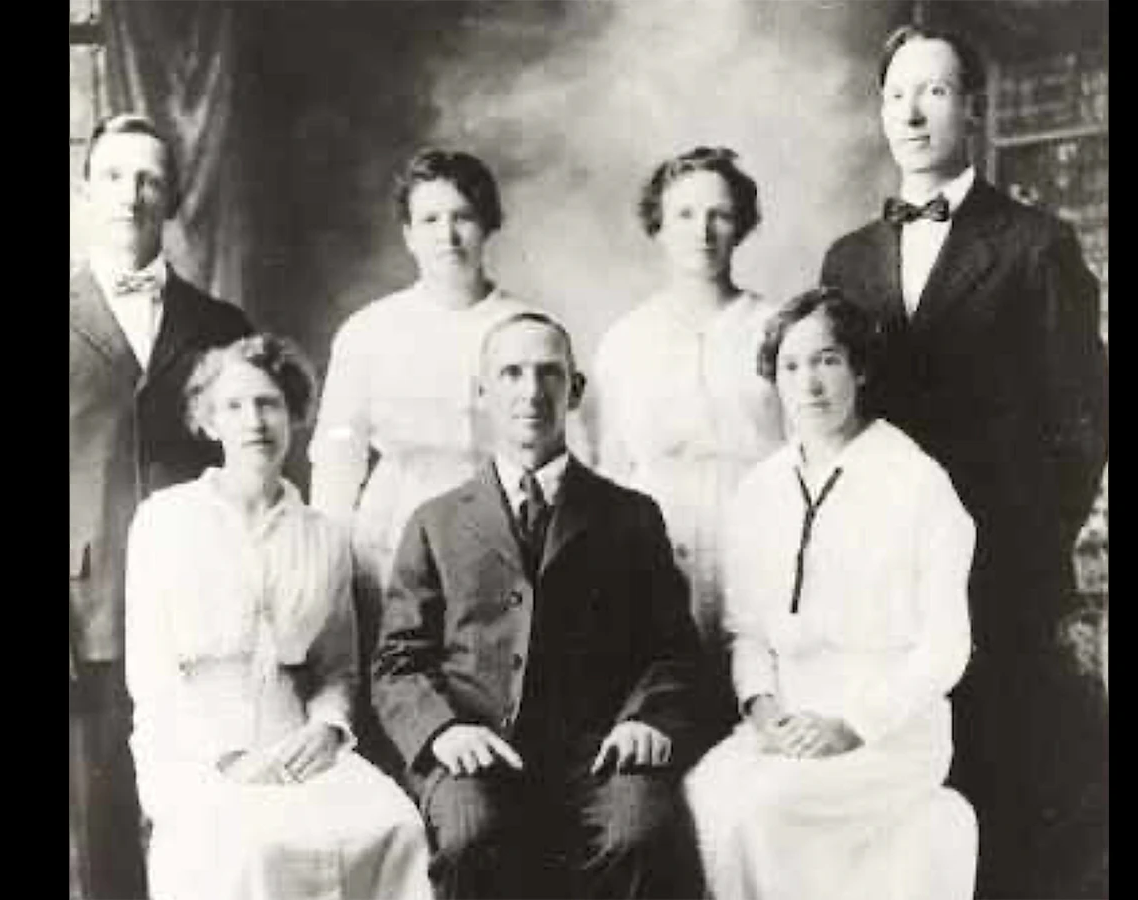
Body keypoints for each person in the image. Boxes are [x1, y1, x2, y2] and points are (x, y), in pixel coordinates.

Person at [818, 25, 1109, 897]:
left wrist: (1023, 537)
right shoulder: (848, 259)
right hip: (880, 574)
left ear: (974, 111)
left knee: (1001, 781)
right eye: (896, 95)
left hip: (999, 568)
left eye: (935, 92)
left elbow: (1084, 420)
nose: (911, 113)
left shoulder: (1035, 244)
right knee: (893, 785)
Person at [373, 312, 706, 899]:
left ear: (574, 391)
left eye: (549, 373)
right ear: (482, 392)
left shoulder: (630, 516)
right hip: (474, 749)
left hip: (600, 753)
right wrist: (444, 732)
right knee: (471, 834)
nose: (530, 391)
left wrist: (646, 719)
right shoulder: (434, 521)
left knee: (639, 833)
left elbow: (673, 649)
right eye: (511, 373)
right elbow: (397, 662)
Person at [685, 288, 978, 900]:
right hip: (787, 721)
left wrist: (853, 725)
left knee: (763, 808)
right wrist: (765, 713)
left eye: (827, 361)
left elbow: (945, 648)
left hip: (891, 730)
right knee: (706, 794)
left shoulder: (917, 483)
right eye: (791, 366)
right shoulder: (761, 490)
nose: (810, 384)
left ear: (860, 369)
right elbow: (747, 632)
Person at [125, 334, 433, 900]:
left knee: (396, 827)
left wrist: (327, 728)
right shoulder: (164, 521)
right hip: (192, 746)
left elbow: (338, 668)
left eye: (268, 403)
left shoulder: (323, 536)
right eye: (233, 406)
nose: (254, 422)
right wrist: (224, 756)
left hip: (298, 740)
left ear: (293, 414)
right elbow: (151, 675)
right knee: (254, 849)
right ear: (208, 422)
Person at [70, 112, 253, 899]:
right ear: (84, 191)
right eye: (114, 176)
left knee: (211, 811)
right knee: (106, 821)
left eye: (149, 179)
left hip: (203, 607)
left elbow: (249, 468)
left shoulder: (221, 327)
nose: (131, 194)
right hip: (92, 609)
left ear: (173, 197)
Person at [307, 149, 533, 770]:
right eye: (430, 220)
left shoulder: (523, 326)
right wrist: (330, 564)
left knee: (484, 689)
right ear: (408, 233)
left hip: (496, 529)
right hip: (393, 527)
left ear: (488, 224)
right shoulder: (371, 330)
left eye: (463, 217)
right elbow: (338, 457)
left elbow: (562, 449)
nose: (448, 235)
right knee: (396, 681)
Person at [590, 147, 783, 729]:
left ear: (741, 224)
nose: (703, 231)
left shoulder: (776, 328)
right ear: (658, 225)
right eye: (684, 214)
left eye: (719, 214)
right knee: (665, 703)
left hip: (757, 530)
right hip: (658, 537)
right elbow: (607, 467)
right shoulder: (626, 340)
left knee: (757, 692)